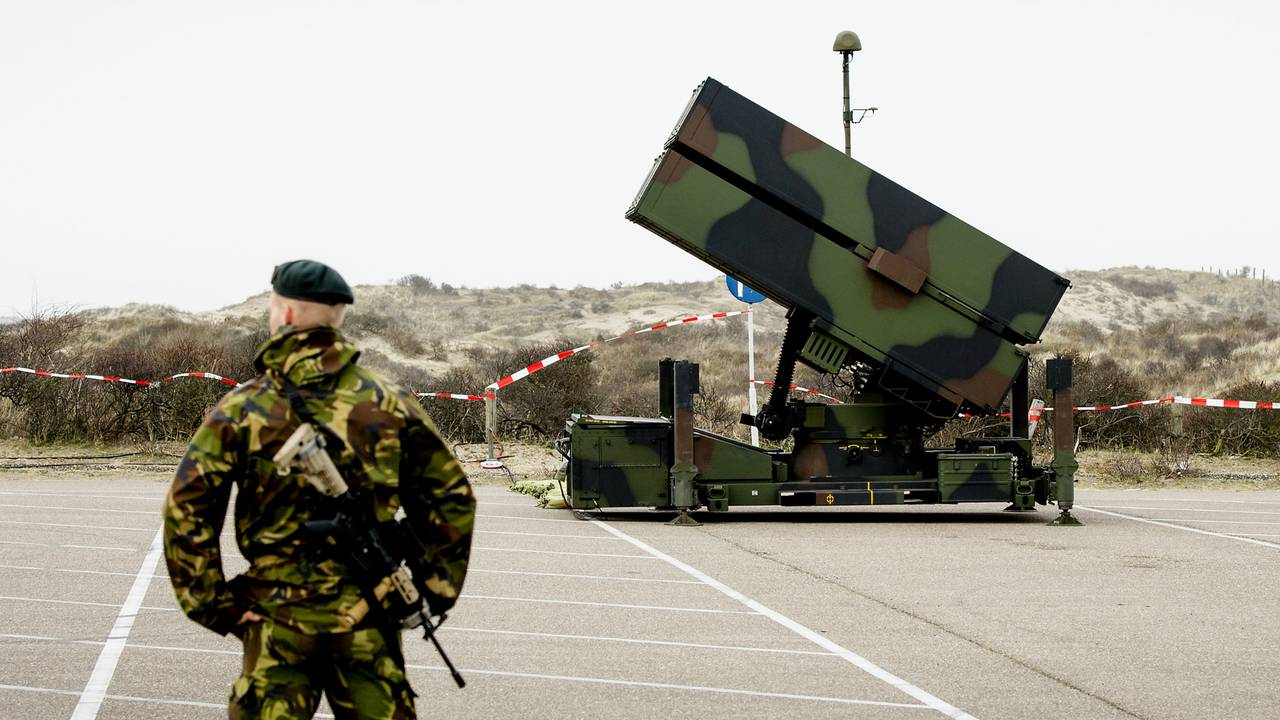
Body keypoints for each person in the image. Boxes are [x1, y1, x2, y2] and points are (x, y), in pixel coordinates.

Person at [163, 259, 475, 720]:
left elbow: (186, 507)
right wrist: (432, 589)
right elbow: (452, 497)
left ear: (285, 314)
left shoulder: (244, 407)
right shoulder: (390, 402)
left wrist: (216, 606)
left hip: (277, 617)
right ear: (338, 318)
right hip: (369, 610)